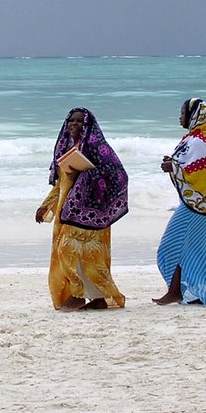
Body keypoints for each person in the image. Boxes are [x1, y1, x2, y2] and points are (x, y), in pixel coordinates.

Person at [35, 107, 128, 311]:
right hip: (66, 211)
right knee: (77, 255)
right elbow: (61, 184)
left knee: (75, 252)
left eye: (79, 121)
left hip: (92, 214)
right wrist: (46, 206)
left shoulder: (98, 148)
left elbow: (118, 177)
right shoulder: (66, 148)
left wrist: (85, 176)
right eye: (71, 121)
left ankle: (81, 295)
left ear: (87, 125)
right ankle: (97, 299)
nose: (74, 125)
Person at [153, 98, 206, 306]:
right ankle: (182, 291)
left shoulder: (200, 142)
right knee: (192, 251)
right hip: (196, 206)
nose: (180, 117)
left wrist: (173, 167)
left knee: (173, 246)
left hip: (197, 208)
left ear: (194, 116)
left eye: (183, 113)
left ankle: (179, 292)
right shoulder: (192, 139)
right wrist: (172, 165)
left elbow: (199, 177)